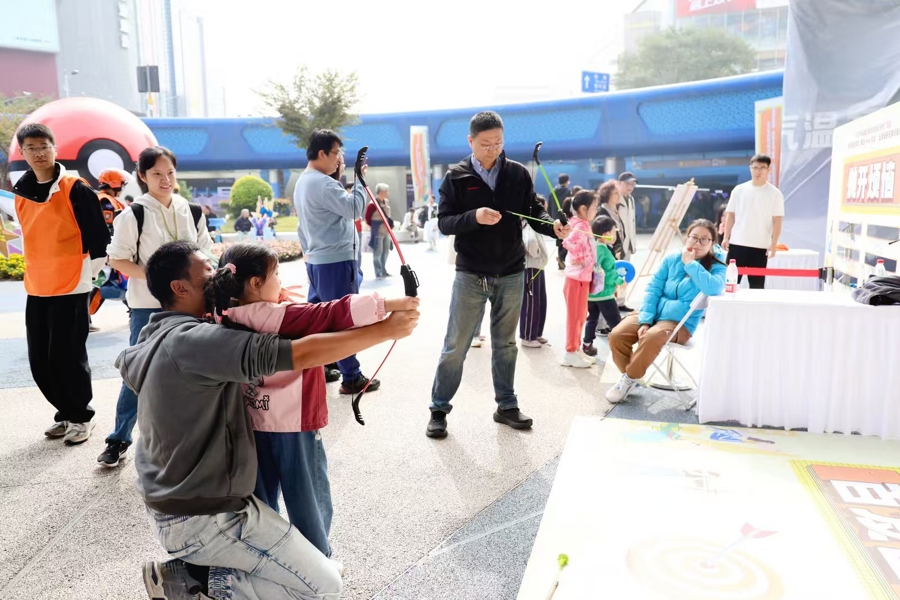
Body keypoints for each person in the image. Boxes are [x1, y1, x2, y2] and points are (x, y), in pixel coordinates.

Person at [120, 240, 418, 600]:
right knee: (324, 586)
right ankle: (192, 581)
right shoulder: (198, 340)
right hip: (206, 517)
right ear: (180, 289)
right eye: (209, 273)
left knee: (289, 531)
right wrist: (385, 330)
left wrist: (267, 304)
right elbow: (301, 351)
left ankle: (205, 567)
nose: (220, 279)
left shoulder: (154, 334)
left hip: (173, 508)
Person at [213, 242, 419, 561]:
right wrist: (395, 303)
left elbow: (264, 311)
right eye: (276, 276)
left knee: (261, 499)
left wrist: (267, 299)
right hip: (295, 425)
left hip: (251, 424)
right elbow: (334, 312)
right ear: (254, 283)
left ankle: (266, 557)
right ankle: (318, 561)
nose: (281, 282)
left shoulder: (220, 313)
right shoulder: (285, 316)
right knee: (308, 497)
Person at [428, 110, 570, 439]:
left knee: (506, 344)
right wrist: (475, 216)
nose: (493, 149)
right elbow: (445, 222)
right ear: (470, 141)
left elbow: (534, 211)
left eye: (498, 143)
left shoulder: (518, 173)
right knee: (456, 346)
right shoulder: (455, 177)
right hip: (471, 273)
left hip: (511, 272)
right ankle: (438, 409)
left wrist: (552, 226)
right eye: (485, 144)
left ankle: (506, 405)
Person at [99, 145, 213, 468]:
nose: (165, 180)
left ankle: (192, 439)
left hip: (191, 306)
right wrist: (157, 278)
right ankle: (119, 438)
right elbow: (117, 259)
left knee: (192, 370)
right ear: (142, 176)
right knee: (139, 370)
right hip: (147, 306)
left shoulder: (192, 210)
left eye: (170, 173)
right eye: (157, 174)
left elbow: (207, 253)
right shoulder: (133, 214)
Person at [12, 123, 109, 445]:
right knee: (40, 359)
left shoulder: (74, 188)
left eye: (44, 146)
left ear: (54, 148)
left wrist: (89, 276)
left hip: (71, 284)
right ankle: (65, 412)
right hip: (37, 285)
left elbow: (98, 237)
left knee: (68, 355)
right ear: (23, 153)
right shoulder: (22, 193)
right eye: (31, 148)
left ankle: (81, 416)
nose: (38, 153)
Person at [295, 129, 381, 396]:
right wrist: (360, 180)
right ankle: (351, 376)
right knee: (342, 317)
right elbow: (355, 209)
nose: (339, 159)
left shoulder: (303, 182)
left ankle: (323, 365)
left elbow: (302, 227)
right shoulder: (322, 183)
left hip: (317, 260)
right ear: (322, 153)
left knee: (318, 318)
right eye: (336, 154)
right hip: (335, 260)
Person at [606, 219, 726, 403]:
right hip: (653, 313)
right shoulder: (672, 258)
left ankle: (628, 379)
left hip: (679, 323)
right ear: (687, 238)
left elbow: (713, 288)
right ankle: (633, 376)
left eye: (704, 239)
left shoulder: (717, 266)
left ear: (712, 243)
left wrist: (690, 264)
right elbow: (653, 289)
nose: (698, 243)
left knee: (651, 337)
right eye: (694, 237)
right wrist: (646, 320)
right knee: (617, 335)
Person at [722, 154, 784, 289]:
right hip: (737, 243)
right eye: (755, 168)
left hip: (760, 246)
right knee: (730, 284)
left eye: (762, 168)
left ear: (768, 169)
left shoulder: (775, 193)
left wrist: (773, 243)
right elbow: (730, 215)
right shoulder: (739, 190)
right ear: (750, 168)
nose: (758, 171)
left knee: (757, 287)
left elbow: (777, 221)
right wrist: (726, 237)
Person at [560, 191, 599, 368]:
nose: (596, 210)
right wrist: (581, 256)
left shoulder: (582, 224)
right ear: (583, 208)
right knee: (575, 317)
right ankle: (570, 352)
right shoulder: (577, 224)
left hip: (582, 277)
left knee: (581, 315)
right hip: (576, 278)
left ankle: (575, 349)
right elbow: (567, 242)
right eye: (594, 207)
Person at [582, 215, 623, 356]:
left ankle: (587, 345)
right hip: (605, 295)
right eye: (614, 231)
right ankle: (622, 348)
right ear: (606, 234)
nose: (615, 235)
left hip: (591, 294)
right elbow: (608, 274)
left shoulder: (592, 247)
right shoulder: (605, 251)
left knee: (592, 320)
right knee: (616, 323)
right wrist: (620, 281)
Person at [520, 195, 550, 348]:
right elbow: (530, 243)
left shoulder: (533, 225)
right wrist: (537, 253)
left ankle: (536, 333)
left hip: (537, 266)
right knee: (531, 303)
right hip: (531, 266)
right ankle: (528, 336)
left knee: (540, 301)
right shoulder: (529, 224)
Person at [616, 172, 639, 313]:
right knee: (615, 273)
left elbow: (632, 223)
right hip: (618, 243)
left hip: (628, 243)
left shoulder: (631, 199)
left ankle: (621, 302)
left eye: (633, 184)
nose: (630, 186)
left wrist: (633, 243)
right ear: (619, 183)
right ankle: (612, 301)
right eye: (627, 183)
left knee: (624, 273)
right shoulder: (615, 199)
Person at [365, 183, 393, 279]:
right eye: (387, 191)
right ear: (382, 192)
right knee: (377, 251)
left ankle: (383, 270)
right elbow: (367, 218)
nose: (388, 193)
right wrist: (376, 226)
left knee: (386, 251)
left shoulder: (386, 202)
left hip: (386, 231)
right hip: (378, 232)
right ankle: (378, 272)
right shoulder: (372, 204)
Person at [553, 173, 572, 269]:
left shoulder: (553, 191)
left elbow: (550, 206)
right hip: (565, 219)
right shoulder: (568, 192)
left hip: (555, 219)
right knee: (567, 239)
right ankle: (562, 258)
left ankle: (560, 264)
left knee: (559, 239)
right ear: (567, 181)